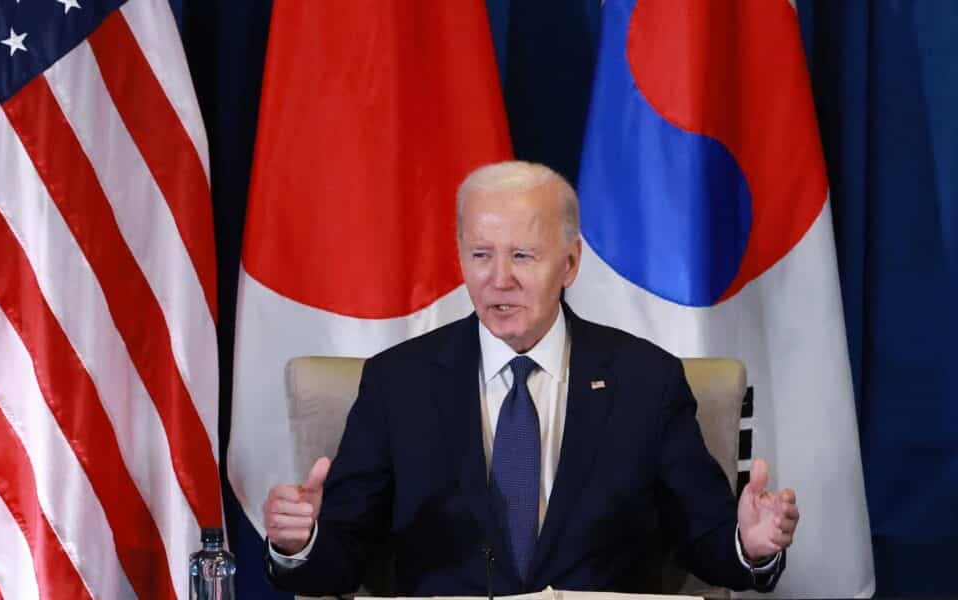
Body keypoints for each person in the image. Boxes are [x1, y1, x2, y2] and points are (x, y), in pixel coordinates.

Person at [262, 161, 799, 596]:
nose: (499, 280)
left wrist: (749, 545)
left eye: (522, 256)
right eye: (480, 255)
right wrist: (301, 541)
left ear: (570, 264)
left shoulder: (646, 380)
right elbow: (338, 561)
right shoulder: (398, 383)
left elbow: (705, 537)